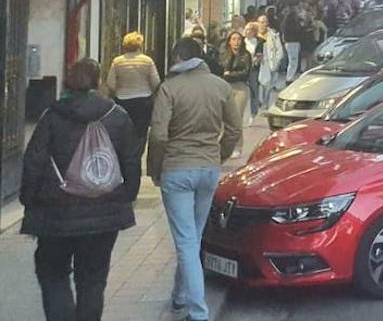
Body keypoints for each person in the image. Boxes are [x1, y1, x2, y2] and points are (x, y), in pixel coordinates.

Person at [20, 58, 141, 321]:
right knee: (93, 279)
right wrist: (126, 197)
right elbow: (131, 161)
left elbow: (34, 161)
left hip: (55, 214)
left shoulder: (52, 116)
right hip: (104, 212)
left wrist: (29, 200)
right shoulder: (117, 116)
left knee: (53, 274)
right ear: (98, 82)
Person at [148, 36, 241, 321]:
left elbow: (159, 134)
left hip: (177, 168)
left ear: (179, 58)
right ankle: (179, 296)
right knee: (193, 237)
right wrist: (219, 156)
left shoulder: (169, 88)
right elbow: (234, 131)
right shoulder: (220, 86)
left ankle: (198, 312)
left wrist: (155, 168)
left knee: (186, 240)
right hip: (208, 169)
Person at [104, 31, 160, 161]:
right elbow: (156, 82)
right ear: (140, 45)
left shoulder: (117, 62)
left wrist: (119, 88)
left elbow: (110, 83)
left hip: (123, 100)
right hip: (143, 101)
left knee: (124, 131)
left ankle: (125, 155)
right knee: (141, 132)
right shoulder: (147, 61)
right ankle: (137, 156)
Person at [218, 31, 252, 157]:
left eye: (238, 39)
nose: (236, 42)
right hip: (225, 87)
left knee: (236, 118)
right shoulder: (223, 54)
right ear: (229, 41)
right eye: (233, 39)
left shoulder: (246, 55)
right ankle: (225, 146)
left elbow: (245, 73)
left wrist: (230, 74)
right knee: (224, 118)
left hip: (240, 88)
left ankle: (238, 146)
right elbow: (221, 69)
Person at [256, 19, 287, 113]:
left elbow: (279, 49)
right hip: (256, 64)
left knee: (268, 85)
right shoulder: (254, 34)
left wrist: (277, 61)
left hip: (270, 63)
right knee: (257, 85)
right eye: (261, 22)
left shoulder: (273, 35)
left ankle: (265, 105)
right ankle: (258, 102)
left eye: (265, 22)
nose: (264, 24)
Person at [242, 21, 262, 118]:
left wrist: (257, 58)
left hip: (253, 69)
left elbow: (261, 54)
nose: (246, 31)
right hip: (241, 69)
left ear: (254, 31)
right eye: (245, 29)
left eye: (248, 29)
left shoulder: (259, 42)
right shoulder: (241, 40)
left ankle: (253, 112)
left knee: (254, 90)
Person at [281, 7, 304, 82]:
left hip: (288, 43)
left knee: (292, 61)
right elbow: (298, 31)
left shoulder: (285, 24)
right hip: (293, 43)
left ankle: (290, 76)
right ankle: (289, 78)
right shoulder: (293, 25)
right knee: (293, 61)